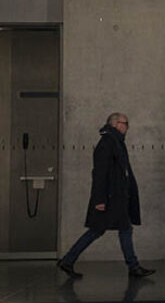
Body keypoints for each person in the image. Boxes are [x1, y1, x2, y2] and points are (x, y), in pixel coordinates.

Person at [56, 113, 155, 279]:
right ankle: (133, 266)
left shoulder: (115, 142)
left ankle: (68, 261)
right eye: (125, 123)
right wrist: (99, 200)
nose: (127, 127)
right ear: (116, 124)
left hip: (115, 197)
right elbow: (99, 174)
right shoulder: (108, 143)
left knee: (109, 229)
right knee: (112, 229)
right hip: (110, 198)